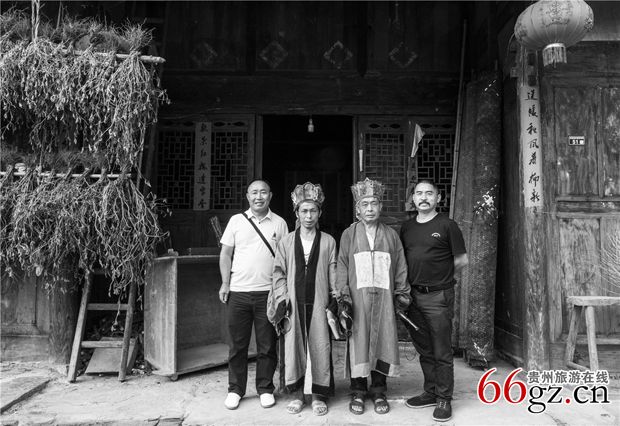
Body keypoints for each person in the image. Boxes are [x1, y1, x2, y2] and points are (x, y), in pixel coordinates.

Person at [336, 177, 411, 415]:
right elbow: (342, 266)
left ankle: (379, 390)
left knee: (383, 341)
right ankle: (358, 391)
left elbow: (400, 266)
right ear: (357, 209)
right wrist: (343, 296)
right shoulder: (349, 234)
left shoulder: (391, 235)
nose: (370, 209)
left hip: (384, 300)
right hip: (358, 300)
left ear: (381, 207)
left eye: (374, 204)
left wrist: (401, 293)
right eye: (365, 204)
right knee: (358, 343)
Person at [399, 180, 468, 422]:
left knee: (441, 350)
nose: (424, 197)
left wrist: (443, 280)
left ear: (438, 198)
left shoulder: (447, 225)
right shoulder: (407, 227)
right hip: (413, 296)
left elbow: (461, 260)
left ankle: (444, 398)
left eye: (429, 193)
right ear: (413, 198)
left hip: (438, 296)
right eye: (419, 193)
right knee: (425, 348)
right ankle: (430, 392)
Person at [267, 182, 338, 416]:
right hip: (293, 303)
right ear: (296, 213)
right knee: (293, 348)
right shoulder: (286, 241)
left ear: (320, 213)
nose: (308, 216)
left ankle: (318, 395)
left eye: (313, 211)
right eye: (304, 211)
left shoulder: (328, 241)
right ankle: (297, 395)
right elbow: (278, 272)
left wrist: (334, 298)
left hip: (319, 302)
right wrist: (282, 298)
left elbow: (333, 271)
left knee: (320, 346)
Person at [218, 179, 289, 410]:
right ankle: (235, 390)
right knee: (237, 345)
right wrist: (225, 283)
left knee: (267, 345)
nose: (259, 197)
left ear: (270, 195)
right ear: (248, 196)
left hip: (268, 294)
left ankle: (265, 389)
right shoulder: (236, 221)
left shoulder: (279, 223)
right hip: (238, 292)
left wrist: (283, 291)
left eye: (263, 192)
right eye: (254, 193)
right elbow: (225, 254)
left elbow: (285, 258)